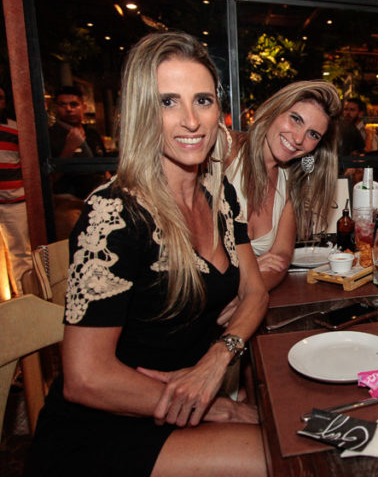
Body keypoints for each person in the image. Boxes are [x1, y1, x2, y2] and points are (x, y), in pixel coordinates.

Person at [26, 32, 268, 476]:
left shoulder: (220, 194)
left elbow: (256, 293)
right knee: (277, 457)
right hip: (106, 428)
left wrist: (218, 359)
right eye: (168, 102)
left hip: (184, 407)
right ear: (141, 113)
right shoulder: (114, 214)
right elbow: (86, 378)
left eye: (203, 100)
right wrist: (217, 408)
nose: (191, 121)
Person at [225, 80, 341, 290]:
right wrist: (244, 271)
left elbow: (279, 260)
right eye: (295, 119)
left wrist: (248, 296)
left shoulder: (291, 185)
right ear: (275, 109)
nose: (298, 139)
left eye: (313, 134)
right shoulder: (226, 148)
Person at [48, 85, 108, 197]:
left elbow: (104, 165)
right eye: (62, 105)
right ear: (56, 108)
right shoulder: (50, 135)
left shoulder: (91, 133)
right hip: (68, 201)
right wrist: (69, 148)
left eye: (74, 104)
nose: (69, 109)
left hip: (99, 196)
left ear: (84, 107)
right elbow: (50, 179)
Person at [0, 85, 31, 293]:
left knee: (21, 254)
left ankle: (25, 300)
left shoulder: (15, 128)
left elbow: (30, 165)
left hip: (15, 202)